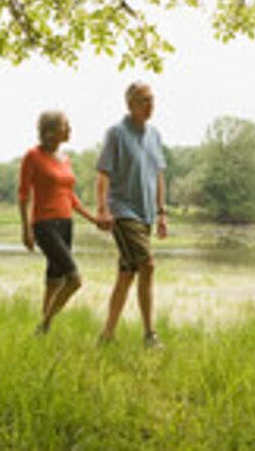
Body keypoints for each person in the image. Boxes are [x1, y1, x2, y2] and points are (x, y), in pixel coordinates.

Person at [96, 82, 168, 348]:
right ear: (129, 105)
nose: (150, 105)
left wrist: (161, 212)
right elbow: (103, 173)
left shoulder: (155, 135)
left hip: (147, 213)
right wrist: (103, 208)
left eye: (152, 99)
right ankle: (150, 335)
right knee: (147, 265)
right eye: (143, 101)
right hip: (123, 211)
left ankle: (106, 336)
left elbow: (159, 174)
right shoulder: (116, 133)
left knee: (127, 274)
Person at [18, 110, 100, 334]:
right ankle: (43, 325)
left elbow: (70, 196)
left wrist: (94, 219)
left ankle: (44, 333)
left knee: (54, 279)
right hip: (44, 225)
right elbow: (23, 196)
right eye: (66, 125)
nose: (70, 129)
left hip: (66, 224)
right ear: (50, 131)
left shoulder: (65, 159)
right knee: (74, 280)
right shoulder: (32, 156)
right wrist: (26, 230)